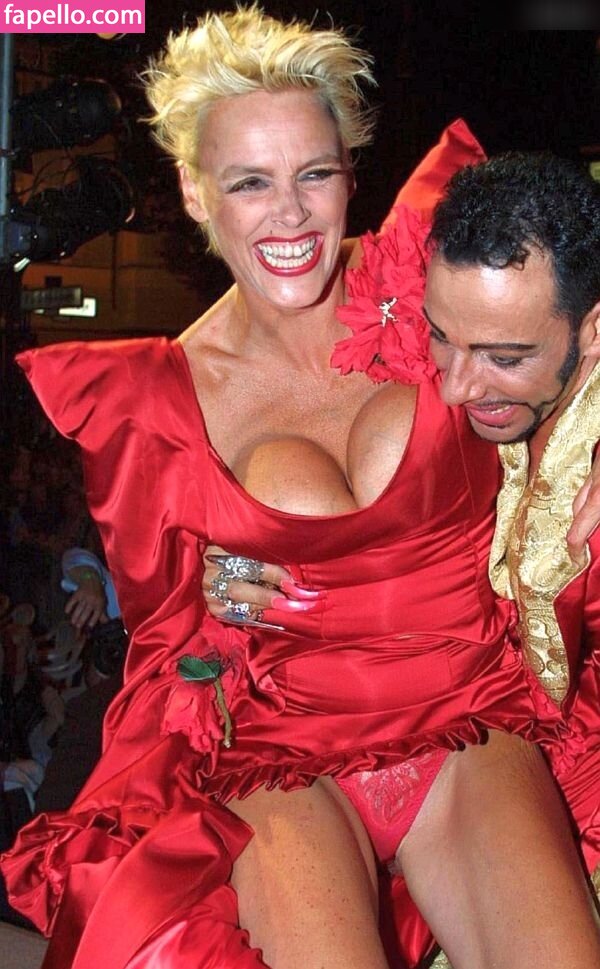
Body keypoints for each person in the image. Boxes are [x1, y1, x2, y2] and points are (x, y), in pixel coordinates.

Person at [3, 8, 600, 969]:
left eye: (313, 173)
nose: (289, 215)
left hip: (468, 715)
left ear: (350, 173)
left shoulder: (433, 280)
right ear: (196, 192)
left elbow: (568, 328)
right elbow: (165, 657)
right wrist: (209, 622)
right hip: (282, 758)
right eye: (251, 181)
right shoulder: (156, 400)